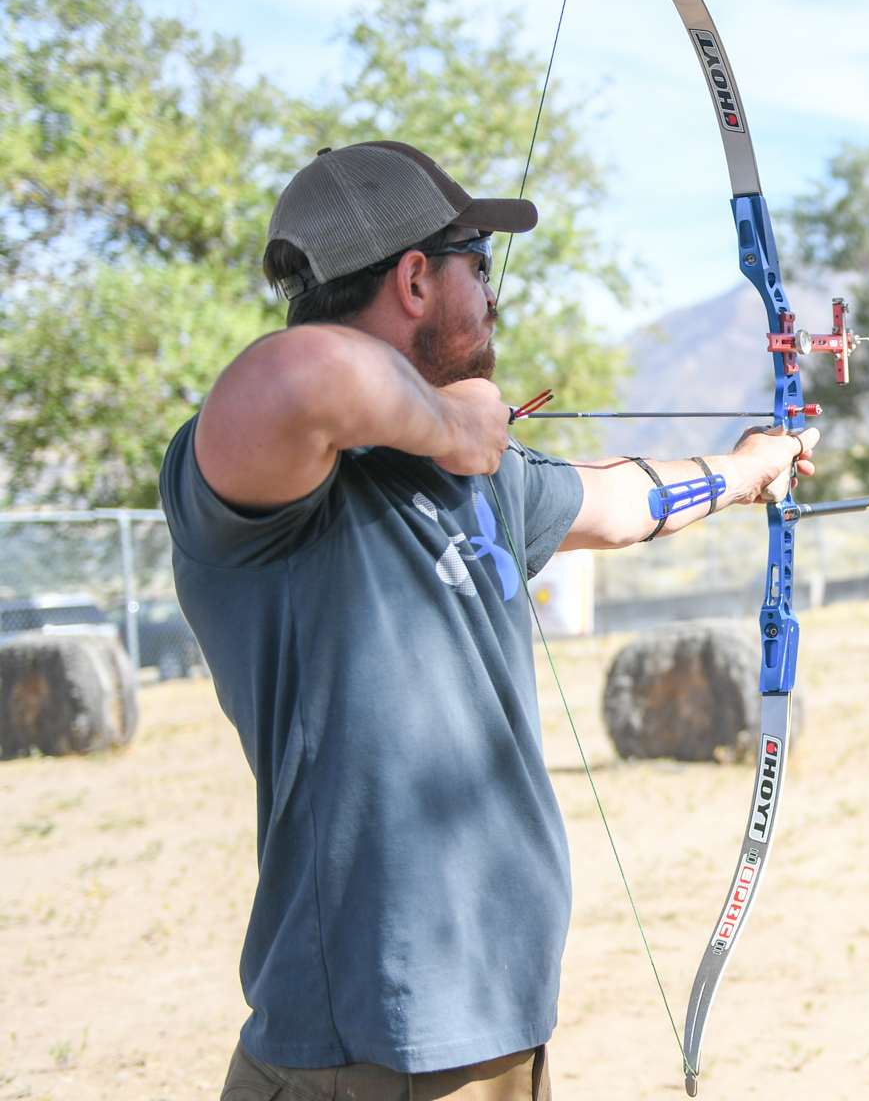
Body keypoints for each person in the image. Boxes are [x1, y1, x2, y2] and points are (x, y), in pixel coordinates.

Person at [161, 141, 817, 1101]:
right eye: (478, 262)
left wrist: (748, 468)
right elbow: (293, 376)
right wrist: (457, 422)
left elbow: (621, 500)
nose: (493, 292)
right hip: (375, 1046)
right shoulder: (275, 482)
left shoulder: (480, 475)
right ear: (417, 279)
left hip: (493, 1029)